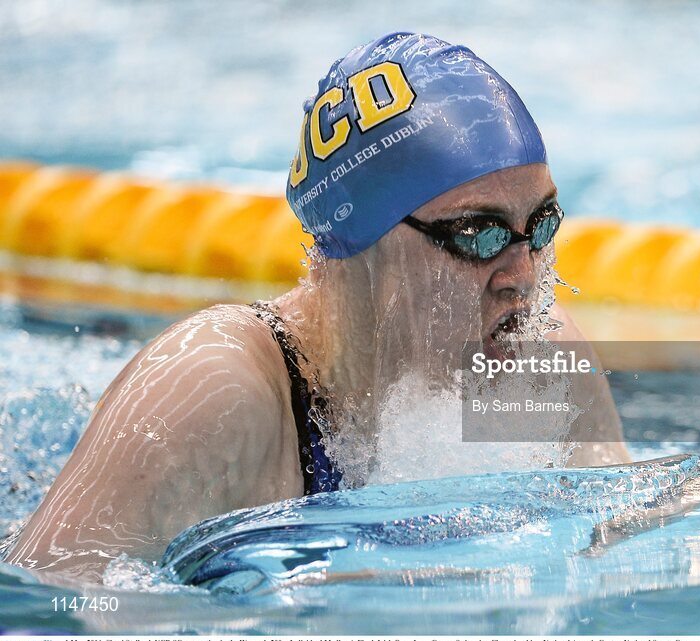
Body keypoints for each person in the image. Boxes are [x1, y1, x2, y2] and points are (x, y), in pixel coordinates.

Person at [5, 32, 630, 582]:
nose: (522, 276)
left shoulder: (536, 360)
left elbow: (622, 551)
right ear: (367, 245)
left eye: (541, 225)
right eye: (478, 234)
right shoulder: (215, 392)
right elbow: (47, 610)